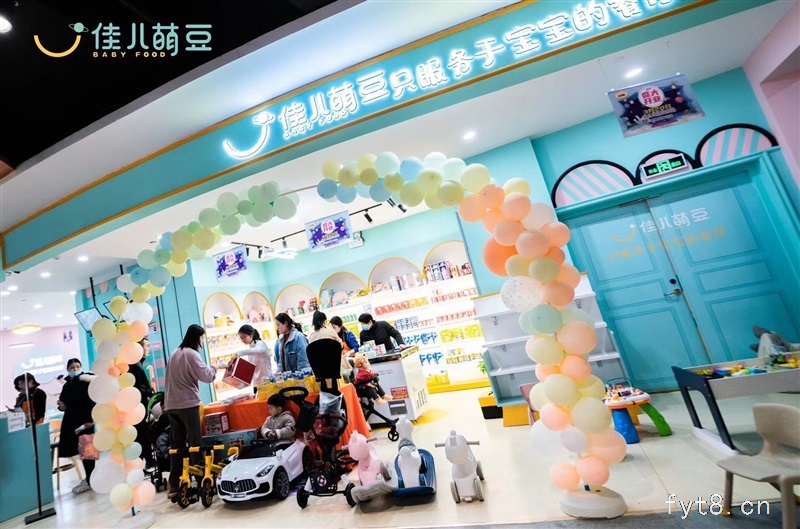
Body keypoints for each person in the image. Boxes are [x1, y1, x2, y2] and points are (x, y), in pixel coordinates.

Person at [164, 324, 217, 498]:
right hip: (188, 404)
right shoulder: (192, 354)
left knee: (177, 447)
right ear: (197, 338)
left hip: (171, 405)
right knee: (195, 444)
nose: (202, 341)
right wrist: (215, 368)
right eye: (201, 338)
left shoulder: (175, 353)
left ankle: (174, 484)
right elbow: (206, 376)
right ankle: (201, 480)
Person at [58, 358, 97, 494]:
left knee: (88, 451)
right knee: (80, 451)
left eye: (77, 366)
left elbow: (92, 401)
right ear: (67, 369)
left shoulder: (86, 381)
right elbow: (63, 403)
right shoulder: (66, 385)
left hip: (86, 421)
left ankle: (90, 479)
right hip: (72, 422)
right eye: (72, 367)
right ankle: (89, 478)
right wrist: (61, 406)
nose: (75, 369)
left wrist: (91, 419)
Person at [128, 338, 155, 467]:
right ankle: (147, 460)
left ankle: (146, 459)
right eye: (146, 346)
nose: (148, 349)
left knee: (142, 433)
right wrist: (150, 391)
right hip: (137, 406)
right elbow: (139, 388)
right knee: (142, 433)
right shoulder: (135, 366)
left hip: (138, 405)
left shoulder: (137, 364)